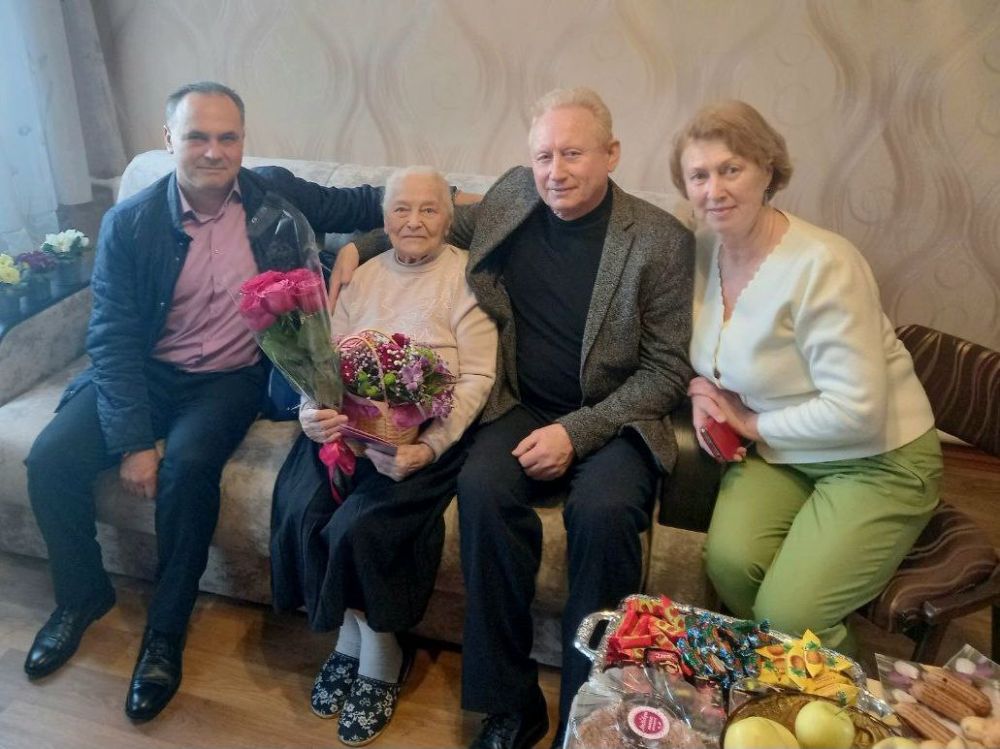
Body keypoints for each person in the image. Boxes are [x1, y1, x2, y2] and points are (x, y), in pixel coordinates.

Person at [335, 87, 694, 749]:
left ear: (611, 153)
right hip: (522, 403)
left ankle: (589, 716)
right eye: (544, 155)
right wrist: (358, 246)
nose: (556, 171)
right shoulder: (513, 197)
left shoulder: (660, 240)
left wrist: (575, 433)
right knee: (480, 487)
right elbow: (434, 224)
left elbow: (667, 371)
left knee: (605, 514)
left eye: (573, 154)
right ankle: (510, 705)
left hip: (614, 417)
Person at [22, 81, 387, 721]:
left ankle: (165, 631)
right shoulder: (130, 223)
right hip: (144, 371)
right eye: (197, 136)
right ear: (169, 140)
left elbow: (373, 201)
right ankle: (81, 596)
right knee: (50, 460)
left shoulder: (274, 194)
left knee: (188, 471)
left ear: (243, 141)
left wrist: (466, 203)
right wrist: (135, 441)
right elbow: (111, 337)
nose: (213, 151)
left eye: (227, 137)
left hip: (227, 380)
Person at [672, 100, 942, 655]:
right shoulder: (702, 250)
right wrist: (703, 389)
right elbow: (710, 352)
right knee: (728, 563)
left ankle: (838, 690)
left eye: (730, 169)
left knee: (790, 613)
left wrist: (749, 424)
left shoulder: (824, 264)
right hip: (783, 452)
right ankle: (789, 667)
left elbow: (857, 411)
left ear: (767, 170)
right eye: (698, 176)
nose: (713, 190)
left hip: (876, 458)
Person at [270, 166, 498, 746]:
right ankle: (349, 636)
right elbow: (322, 361)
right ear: (383, 218)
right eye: (401, 209)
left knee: (363, 525)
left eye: (429, 209)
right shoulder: (363, 274)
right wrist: (312, 412)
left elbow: (478, 376)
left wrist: (429, 446)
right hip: (347, 431)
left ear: (449, 217)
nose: (414, 221)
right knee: (301, 505)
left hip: (424, 436)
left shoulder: (469, 278)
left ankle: (380, 656)